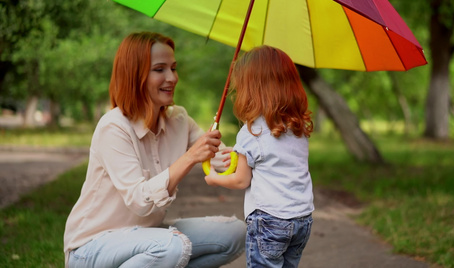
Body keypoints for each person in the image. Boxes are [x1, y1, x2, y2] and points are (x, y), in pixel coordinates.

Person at [63, 32, 246, 268]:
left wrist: (248, 145)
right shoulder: (113, 127)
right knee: (172, 246)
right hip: (92, 247)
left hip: (149, 235)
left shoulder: (179, 119)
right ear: (134, 76)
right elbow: (141, 201)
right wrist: (190, 157)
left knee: (234, 233)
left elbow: (221, 162)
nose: (172, 77)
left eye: (173, 68)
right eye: (159, 69)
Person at [204, 45, 314, 268]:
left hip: (270, 221)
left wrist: (214, 178)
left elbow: (241, 180)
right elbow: (274, 158)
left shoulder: (251, 131)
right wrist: (238, 152)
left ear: (250, 89)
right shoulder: (297, 127)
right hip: (302, 219)